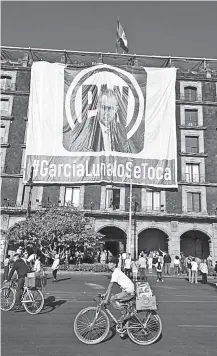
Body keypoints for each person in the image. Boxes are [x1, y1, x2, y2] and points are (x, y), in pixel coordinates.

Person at [63, 88, 143, 154]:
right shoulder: (88, 127)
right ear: (98, 107)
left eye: (110, 108)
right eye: (103, 107)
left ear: (116, 109)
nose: (106, 112)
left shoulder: (121, 130)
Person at [102, 257, 135, 323]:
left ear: (114, 264)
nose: (108, 264)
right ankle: (126, 315)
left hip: (128, 291)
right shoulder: (116, 271)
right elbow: (109, 287)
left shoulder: (116, 272)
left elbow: (110, 286)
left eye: (110, 263)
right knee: (117, 300)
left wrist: (106, 299)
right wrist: (105, 294)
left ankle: (126, 314)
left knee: (112, 299)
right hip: (128, 290)